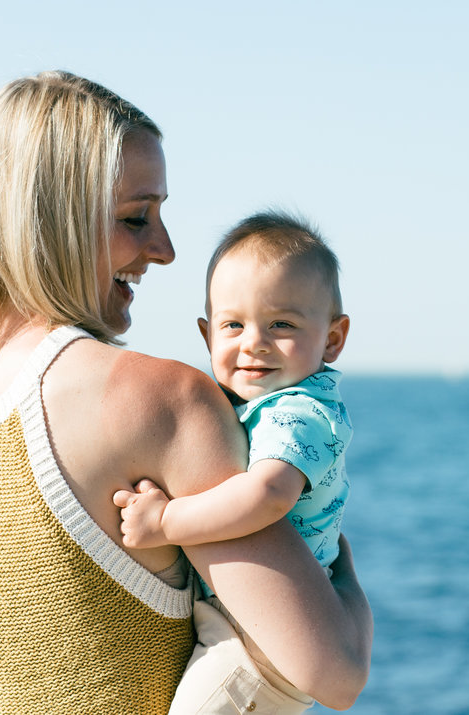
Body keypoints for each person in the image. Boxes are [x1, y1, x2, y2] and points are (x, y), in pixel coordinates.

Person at [0, 70, 371, 715]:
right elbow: (333, 672)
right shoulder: (162, 400)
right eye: (137, 218)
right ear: (51, 218)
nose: (164, 250)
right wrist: (349, 591)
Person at [115, 212, 354, 712]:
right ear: (207, 335)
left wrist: (165, 521)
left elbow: (267, 495)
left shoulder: (299, 412)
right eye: (233, 325)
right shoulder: (257, 404)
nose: (254, 342)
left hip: (262, 651)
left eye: (282, 324)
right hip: (247, 628)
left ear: (332, 339)